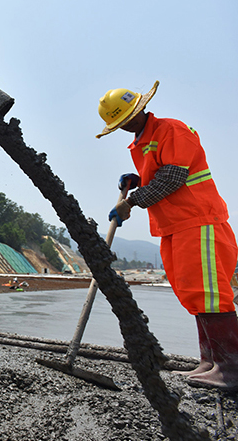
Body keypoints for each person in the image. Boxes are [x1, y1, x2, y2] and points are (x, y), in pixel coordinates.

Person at [97, 81, 238, 390]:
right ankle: (210, 362)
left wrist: (131, 201)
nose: (125, 126)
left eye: (128, 118)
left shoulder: (170, 131)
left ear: (141, 109)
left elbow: (173, 177)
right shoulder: (141, 142)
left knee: (210, 293)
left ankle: (231, 367)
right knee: (192, 293)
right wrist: (138, 178)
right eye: (120, 124)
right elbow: (159, 172)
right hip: (172, 226)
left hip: (198, 220)